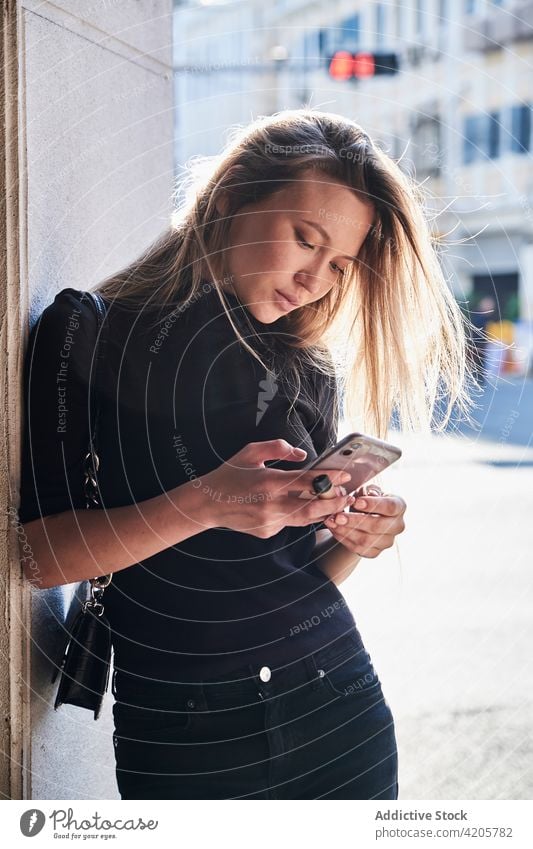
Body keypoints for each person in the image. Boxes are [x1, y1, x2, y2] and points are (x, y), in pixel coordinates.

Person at [17, 109, 473, 800]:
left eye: (338, 264)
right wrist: (206, 501)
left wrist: (356, 536)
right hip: (182, 734)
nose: (315, 276)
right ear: (230, 197)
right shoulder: (87, 331)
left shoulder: (306, 369)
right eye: (303, 239)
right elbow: (38, 557)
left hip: (339, 710)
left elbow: (292, 573)